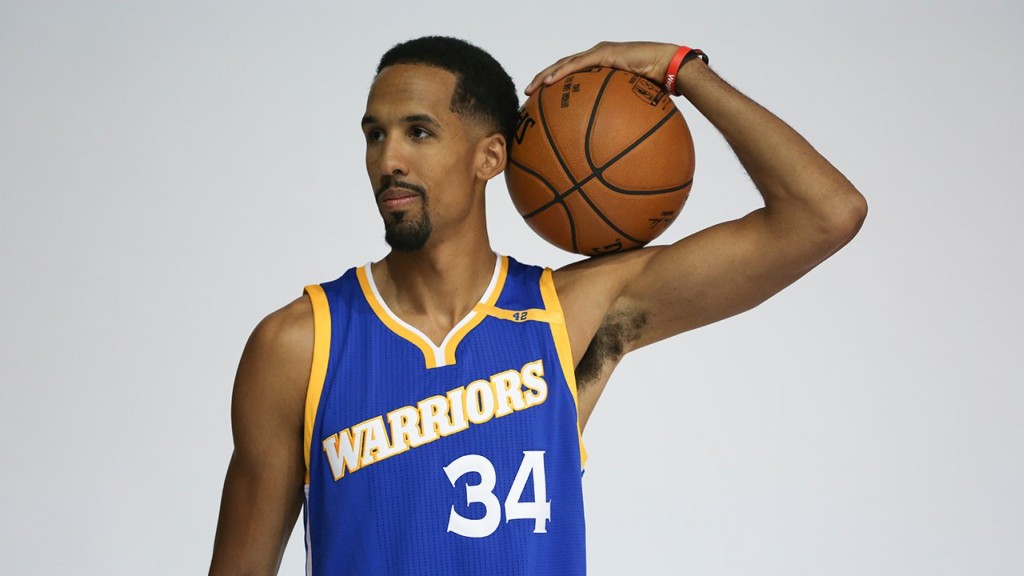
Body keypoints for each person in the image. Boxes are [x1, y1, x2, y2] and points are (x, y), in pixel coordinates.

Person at [209, 37, 867, 576]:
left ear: (490, 156)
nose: (389, 159)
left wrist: (680, 70)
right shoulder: (300, 345)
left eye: (419, 132)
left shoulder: (569, 316)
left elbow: (826, 214)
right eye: (375, 135)